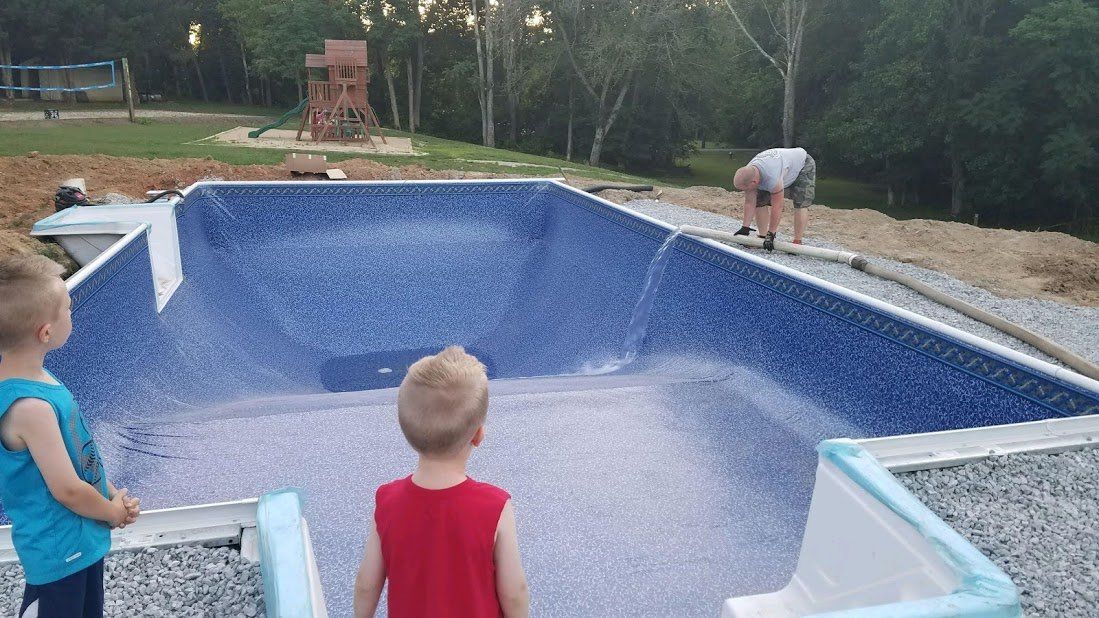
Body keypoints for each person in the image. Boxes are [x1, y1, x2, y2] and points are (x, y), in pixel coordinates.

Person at [0, 254, 140, 618]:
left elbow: (79, 454)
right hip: (58, 549)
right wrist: (111, 512)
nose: (72, 315)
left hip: (80, 539)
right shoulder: (29, 407)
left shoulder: (40, 379)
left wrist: (112, 494)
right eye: (68, 309)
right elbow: (67, 489)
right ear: (46, 332)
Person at [353, 346, 530, 618]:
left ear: (405, 431)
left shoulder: (387, 501)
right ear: (478, 435)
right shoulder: (495, 506)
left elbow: (367, 585)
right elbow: (513, 591)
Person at [732, 147, 817, 249]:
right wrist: (745, 227)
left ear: (754, 182)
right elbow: (750, 202)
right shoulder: (749, 171)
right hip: (781, 166)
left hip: (802, 164)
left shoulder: (772, 178)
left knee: (800, 203)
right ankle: (762, 237)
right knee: (760, 201)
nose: (744, 191)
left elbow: (777, 206)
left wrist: (771, 233)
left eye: (745, 189)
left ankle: (797, 242)